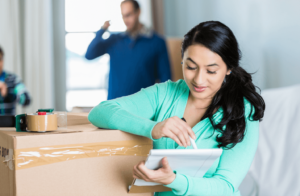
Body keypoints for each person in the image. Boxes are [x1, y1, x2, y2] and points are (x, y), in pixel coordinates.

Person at [88, 21, 265, 195]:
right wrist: (153, 128)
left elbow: (225, 186)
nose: (199, 80)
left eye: (211, 71)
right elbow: (100, 112)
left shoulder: (243, 111)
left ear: (229, 69)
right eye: (191, 67)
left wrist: (173, 180)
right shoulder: (164, 94)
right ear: (182, 61)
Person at [85, 0, 171, 100]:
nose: (125, 20)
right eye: (123, 16)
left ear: (138, 12)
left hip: (143, 107)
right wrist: (102, 30)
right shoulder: (115, 40)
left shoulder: (157, 42)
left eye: (129, 15)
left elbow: (166, 80)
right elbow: (89, 55)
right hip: (114, 107)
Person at [0, 46, 31, 115]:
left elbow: (26, 100)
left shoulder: (13, 79)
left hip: (8, 124)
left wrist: (8, 94)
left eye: (0, 59)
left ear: (3, 60)